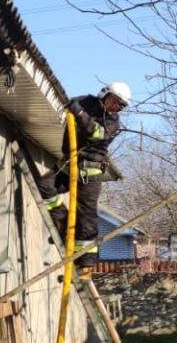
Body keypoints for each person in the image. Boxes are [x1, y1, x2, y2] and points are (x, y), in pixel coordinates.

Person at [41, 82, 130, 266]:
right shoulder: (83, 101)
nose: (115, 107)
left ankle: (86, 261)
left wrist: (80, 114)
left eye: (120, 106)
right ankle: (64, 225)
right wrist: (75, 108)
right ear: (105, 94)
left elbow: (96, 134)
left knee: (86, 214)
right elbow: (69, 106)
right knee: (45, 187)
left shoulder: (113, 123)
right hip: (70, 164)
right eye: (115, 102)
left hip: (91, 172)